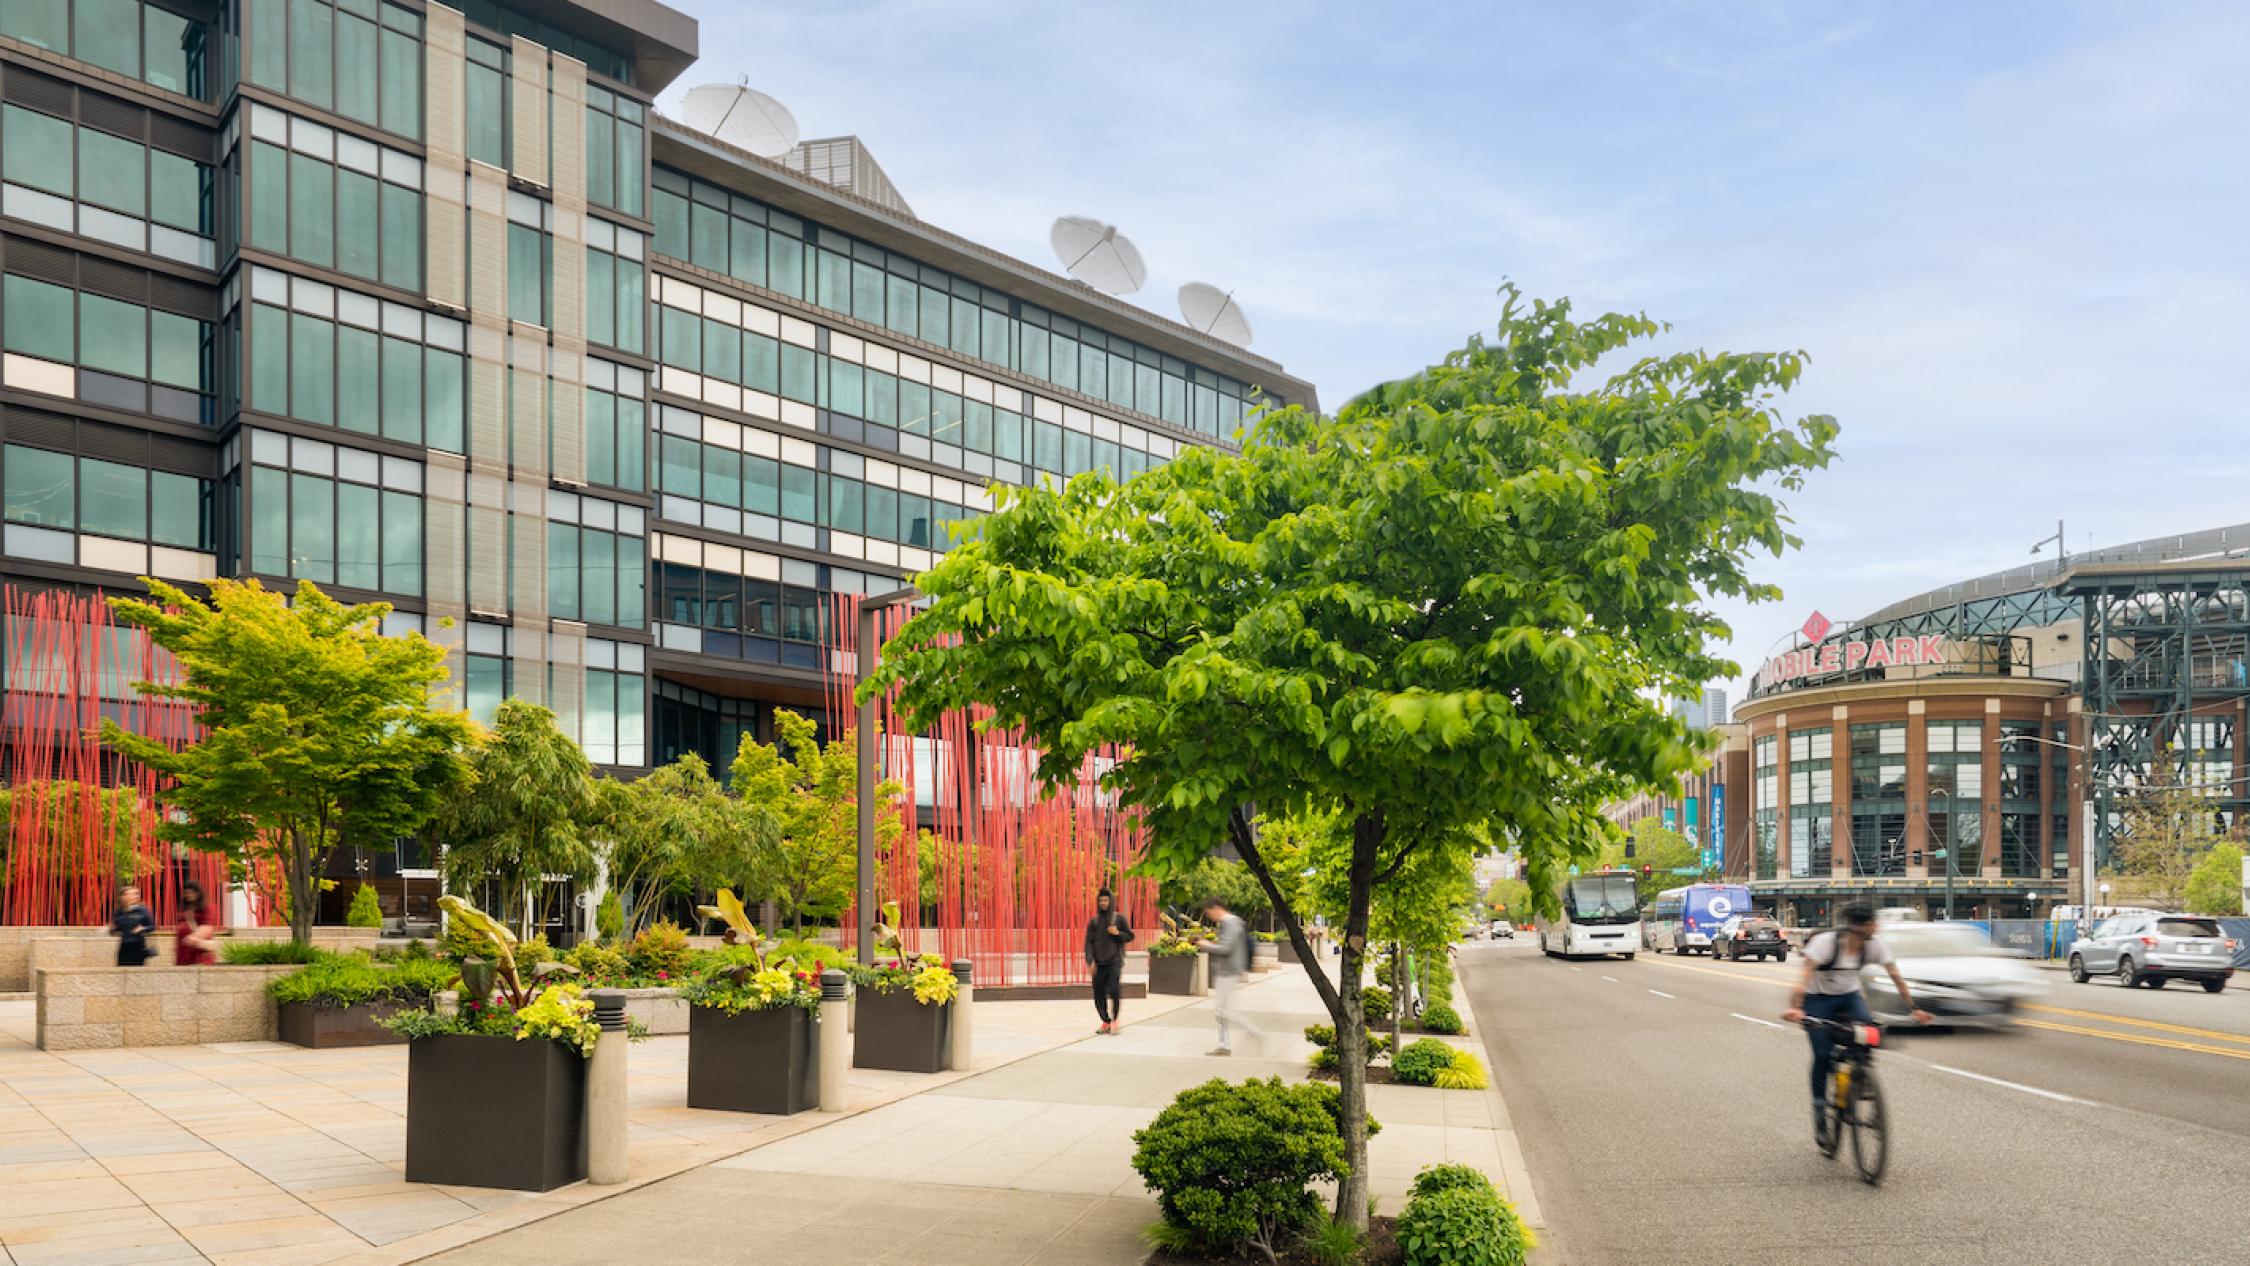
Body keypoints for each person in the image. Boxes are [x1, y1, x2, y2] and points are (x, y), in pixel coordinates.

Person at [1782, 905, 1931, 1127]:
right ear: (1858, 927)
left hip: (1848, 996)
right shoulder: (1825, 944)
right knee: (1822, 1054)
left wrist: (1913, 1008)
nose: (1876, 927)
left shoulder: (1874, 945)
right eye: (1872, 923)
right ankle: (1820, 1106)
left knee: (1869, 1032)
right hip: (1817, 999)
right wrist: (1797, 1008)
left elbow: (1896, 977)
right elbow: (1803, 979)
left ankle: (1860, 1077)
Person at [1197, 899, 1262, 1056]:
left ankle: (1253, 1031)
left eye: (1209, 912)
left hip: (1229, 971)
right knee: (1220, 1011)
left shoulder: (1231, 923)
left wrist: (1206, 945)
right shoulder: (1230, 923)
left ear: (1217, 908)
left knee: (1221, 1011)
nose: (1210, 916)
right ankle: (1224, 1045)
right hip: (1228, 970)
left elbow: (1226, 948)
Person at [1083, 887, 1133, 1035]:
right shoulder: (1094, 921)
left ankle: (1115, 1020)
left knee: (1114, 990)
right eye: (1101, 901)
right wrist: (1090, 961)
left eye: (1106, 900)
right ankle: (1106, 1021)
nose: (1103, 903)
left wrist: (1118, 933)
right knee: (1098, 994)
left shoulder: (1118, 919)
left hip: (1114, 962)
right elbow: (1088, 943)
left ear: (1111, 901)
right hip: (1098, 964)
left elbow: (1130, 936)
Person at [109, 884, 155, 967]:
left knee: (137, 972)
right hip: (124, 945)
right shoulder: (120, 911)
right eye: (129, 894)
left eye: (136, 894)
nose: (133, 896)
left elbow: (152, 927)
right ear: (123, 897)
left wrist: (142, 928)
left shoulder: (143, 910)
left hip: (138, 945)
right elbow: (116, 928)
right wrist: (112, 929)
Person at [174, 880, 215, 966]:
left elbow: (207, 927)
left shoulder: (206, 907)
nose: (189, 895)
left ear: (198, 893)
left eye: (191, 893)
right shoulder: (184, 908)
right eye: (186, 893)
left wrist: (193, 937)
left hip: (198, 951)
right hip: (183, 951)